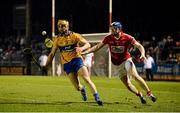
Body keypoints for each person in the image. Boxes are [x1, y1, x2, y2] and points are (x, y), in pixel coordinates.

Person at [82, 21, 157, 104]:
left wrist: (142, 54)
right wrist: (86, 52)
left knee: (135, 76)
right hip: (117, 64)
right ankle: (140, 95)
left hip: (126, 60)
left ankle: (149, 94)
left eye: (113, 29)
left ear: (119, 29)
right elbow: (97, 47)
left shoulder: (127, 37)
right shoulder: (108, 38)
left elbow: (139, 46)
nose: (111, 30)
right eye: (111, 29)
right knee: (128, 85)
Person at [44, 19, 103, 105]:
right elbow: (52, 54)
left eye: (63, 26)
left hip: (77, 60)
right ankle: (82, 89)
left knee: (87, 79)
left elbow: (88, 44)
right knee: (77, 87)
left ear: (67, 27)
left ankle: (97, 98)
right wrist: (46, 65)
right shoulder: (57, 40)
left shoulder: (75, 36)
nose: (61, 28)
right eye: (59, 26)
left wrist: (81, 48)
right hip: (67, 64)